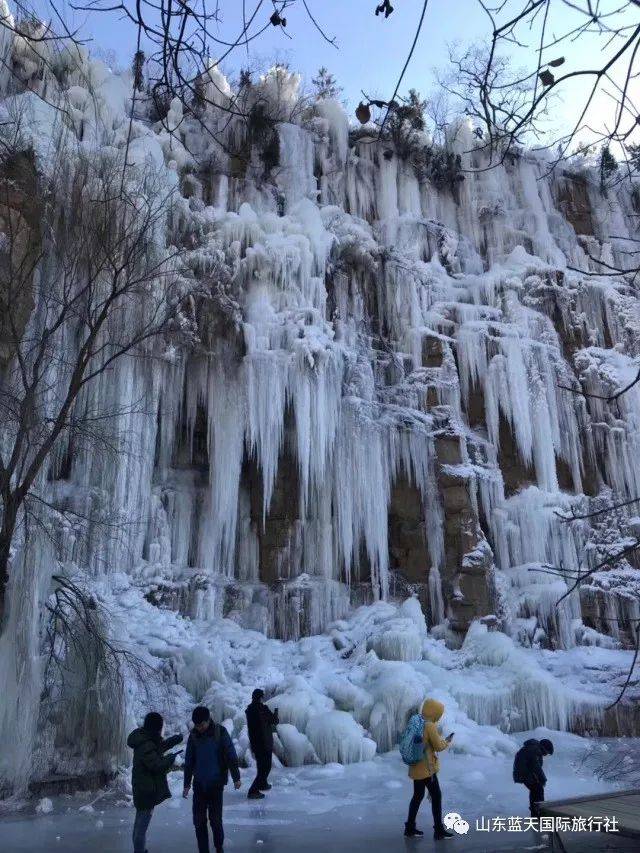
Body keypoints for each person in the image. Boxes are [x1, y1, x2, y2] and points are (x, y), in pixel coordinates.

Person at [183, 706, 241, 853]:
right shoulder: (194, 736)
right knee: (199, 821)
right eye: (196, 725)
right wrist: (186, 784)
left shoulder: (220, 732)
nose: (199, 728)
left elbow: (231, 755)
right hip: (199, 785)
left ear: (208, 721)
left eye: (201, 725)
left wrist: (236, 777)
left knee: (215, 820)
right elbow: (189, 761)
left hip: (216, 784)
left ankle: (219, 847)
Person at [127, 711, 183, 853]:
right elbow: (157, 765)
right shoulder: (146, 745)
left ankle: (140, 850)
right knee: (141, 828)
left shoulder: (145, 740)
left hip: (142, 789)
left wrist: (175, 739)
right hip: (146, 791)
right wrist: (171, 758)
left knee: (139, 824)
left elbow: (159, 747)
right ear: (156, 728)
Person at [405, 699, 454, 840]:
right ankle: (439, 830)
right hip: (427, 768)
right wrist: (447, 741)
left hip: (415, 766)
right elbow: (438, 746)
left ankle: (409, 828)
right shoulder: (429, 725)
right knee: (436, 796)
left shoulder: (416, 722)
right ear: (434, 712)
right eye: (439, 713)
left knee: (417, 796)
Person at [245, 688, 279, 800]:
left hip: (256, 743)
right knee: (266, 767)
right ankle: (253, 790)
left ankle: (262, 784)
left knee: (261, 767)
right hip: (265, 743)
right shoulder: (262, 709)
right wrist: (276, 713)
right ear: (260, 698)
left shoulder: (249, 710)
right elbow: (274, 720)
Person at [513, 738, 554, 817]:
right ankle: (539, 812)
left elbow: (535, 767)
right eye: (547, 752)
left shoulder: (533, 748)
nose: (545, 754)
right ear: (544, 748)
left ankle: (535, 811)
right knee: (538, 789)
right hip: (525, 773)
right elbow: (536, 767)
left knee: (535, 790)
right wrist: (543, 779)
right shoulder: (534, 750)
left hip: (524, 773)